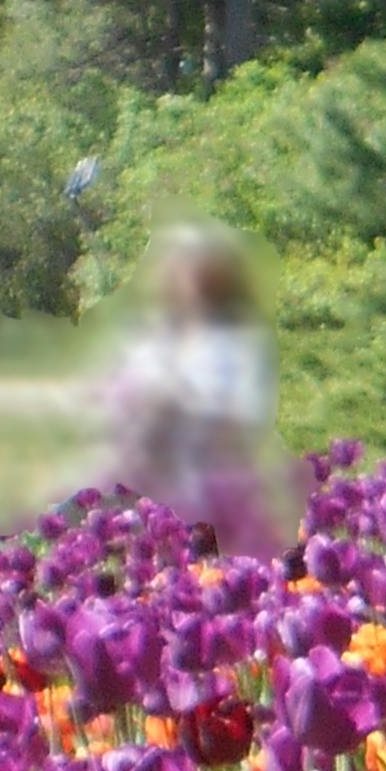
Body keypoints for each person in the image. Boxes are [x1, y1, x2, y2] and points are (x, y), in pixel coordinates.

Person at [102, 222, 283, 546]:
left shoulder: (238, 342)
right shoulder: (153, 338)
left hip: (220, 487)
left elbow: (245, 419)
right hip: (154, 490)